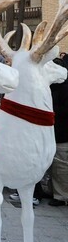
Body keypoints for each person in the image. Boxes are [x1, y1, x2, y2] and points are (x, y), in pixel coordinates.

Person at [50, 55, 68, 206]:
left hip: (61, 133)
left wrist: (50, 110)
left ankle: (60, 196)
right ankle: (53, 191)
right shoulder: (54, 86)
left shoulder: (64, 87)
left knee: (60, 165)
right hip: (54, 131)